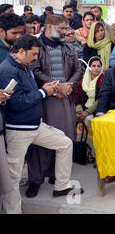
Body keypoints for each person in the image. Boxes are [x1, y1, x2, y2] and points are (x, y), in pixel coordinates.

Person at [0, 35, 81, 214]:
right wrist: (44, 92)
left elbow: (30, 92)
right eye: (34, 54)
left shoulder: (23, 65)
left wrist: (47, 88)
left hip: (35, 126)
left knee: (65, 143)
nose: (36, 58)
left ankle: (60, 186)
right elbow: (16, 103)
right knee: (12, 178)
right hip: (18, 131)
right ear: (21, 52)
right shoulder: (7, 71)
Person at [26, 14, 83, 198]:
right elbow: (34, 70)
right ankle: (35, 180)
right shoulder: (36, 47)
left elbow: (78, 69)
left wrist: (69, 86)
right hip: (44, 99)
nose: (64, 32)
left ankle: (55, 176)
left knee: (65, 137)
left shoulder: (67, 47)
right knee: (40, 142)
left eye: (65, 29)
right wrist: (55, 86)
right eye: (61, 29)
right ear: (48, 27)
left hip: (65, 96)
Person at [74, 56, 104, 131]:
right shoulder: (83, 78)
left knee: (89, 120)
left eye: (98, 66)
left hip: (96, 110)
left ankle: (90, 142)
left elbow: (101, 98)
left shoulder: (103, 79)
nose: (96, 68)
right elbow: (76, 94)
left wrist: (88, 112)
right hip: (82, 108)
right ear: (89, 67)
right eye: (93, 66)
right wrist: (79, 110)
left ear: (101, 68)